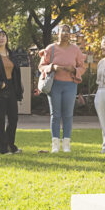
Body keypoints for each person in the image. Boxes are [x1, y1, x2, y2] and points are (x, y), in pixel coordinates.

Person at [38, 25, 87, 153]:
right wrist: (52, 67)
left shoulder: (75, 50)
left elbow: (82, 67)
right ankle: (55, 144)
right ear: (57, 33)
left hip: (70, 85)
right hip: (54, 85)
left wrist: (74, 70)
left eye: (68, 31)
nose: (65, 33)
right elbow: (41, 66)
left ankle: (66, 144)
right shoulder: (51, 48)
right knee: (55, 115)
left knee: (68, 114)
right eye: (63, 30)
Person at [0, 27, 23, 155]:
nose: (1, 38)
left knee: (13, 119)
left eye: (3, 36)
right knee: (0, 120)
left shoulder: (12, 54)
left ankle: (10, 145)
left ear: (7, 38)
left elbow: (16, 73)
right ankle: (1, 148)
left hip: (11, 88)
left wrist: (18, 88)